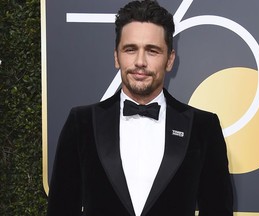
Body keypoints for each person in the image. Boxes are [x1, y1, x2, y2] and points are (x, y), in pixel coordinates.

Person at [46, 0, 233, 215]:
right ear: (117, 56)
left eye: (152, 51)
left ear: (169, 60)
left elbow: (218, 209)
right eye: (130, 49)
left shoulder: (203, 127)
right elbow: (61, 208)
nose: (140, 61)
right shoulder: (82, 122)